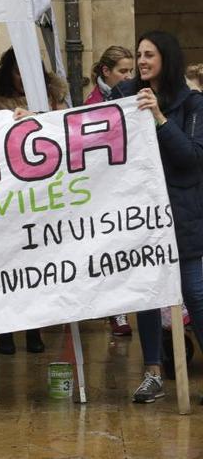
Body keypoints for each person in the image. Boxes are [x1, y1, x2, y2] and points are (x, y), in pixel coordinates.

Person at [108, 31, 203, 404]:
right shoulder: (123, 96)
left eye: (149, 54)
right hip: (142, 215)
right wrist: (34, 121)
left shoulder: (192, 103)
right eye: (138, 54)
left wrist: (160, 118)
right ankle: (153, 373)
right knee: (147, 292)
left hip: (183, 216)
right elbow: (81, 125)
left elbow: (192, 158)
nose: (142, 60)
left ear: (167, 57)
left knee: (195, 294)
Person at [0, 48, 66, 354]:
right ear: (7, 73)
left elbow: (65, 132)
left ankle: (34, 329)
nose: (22, 77)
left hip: (40, 194)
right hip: (3, 194)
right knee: (5, 264)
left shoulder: (52, 99)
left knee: (35, 264)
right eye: (16, 71)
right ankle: (5, 331)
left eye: (28, 70)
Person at [85, 46, 135, 336]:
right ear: (106, 72)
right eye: (123, 71)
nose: (128, 76)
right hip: (106, 184)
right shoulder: (94, 101)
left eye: (131, 71)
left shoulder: (133, 95)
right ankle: (117, 312)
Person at [0, 47, 68, 131]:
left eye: (31, 71)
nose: (26, 78)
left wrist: (36, 119)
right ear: (8, 74)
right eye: (19, 72)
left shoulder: (55, 99)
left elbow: (64, 133)